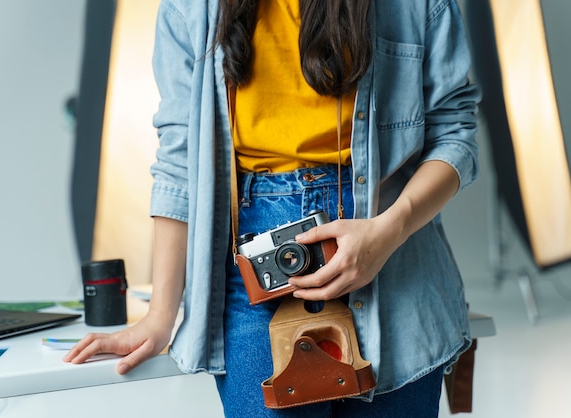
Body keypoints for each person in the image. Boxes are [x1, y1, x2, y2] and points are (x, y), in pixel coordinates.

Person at [64, 0, 481, 416]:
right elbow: (180, 158)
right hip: (252, 271)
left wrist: (390, 230)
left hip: (396, 261)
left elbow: (454, 131)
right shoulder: (189, 7)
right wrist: (160, 316)